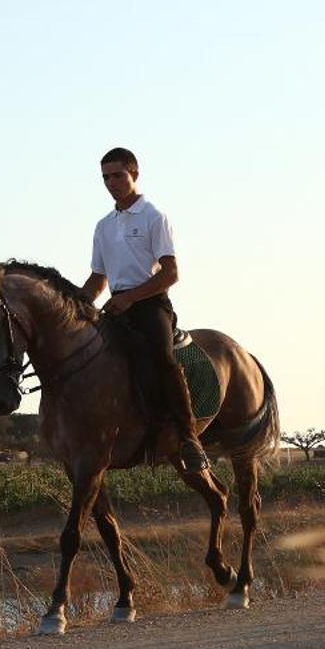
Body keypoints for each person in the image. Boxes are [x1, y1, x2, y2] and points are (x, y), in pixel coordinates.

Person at [81, 148, 211, 472]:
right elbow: (98, 279)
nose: (111, 182)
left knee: (164, 359)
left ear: (134, 173)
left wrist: (131, 298)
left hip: (151, 303)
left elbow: (170, 274)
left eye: (117, 175)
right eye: (105, 177)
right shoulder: (103, 226)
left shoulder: (154, 216)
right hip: (116, 306)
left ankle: (188, 438)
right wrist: (76, 304)